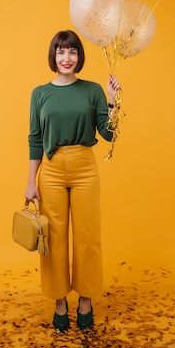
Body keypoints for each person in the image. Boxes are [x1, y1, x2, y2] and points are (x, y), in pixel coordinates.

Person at [25, 30, 122, 331]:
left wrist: (112, 101)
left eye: (72, 52)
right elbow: (35, 139)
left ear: (79, 57)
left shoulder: (92, 90)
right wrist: (31, 181)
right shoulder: (40, 94)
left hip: (84, 168)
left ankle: (86, 300)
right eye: (61, 52)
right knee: (52, 240)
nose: (67, 58)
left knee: (87, 236)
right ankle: (59, 302)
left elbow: (108, 134)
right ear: (53, 56)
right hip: (51, 171)